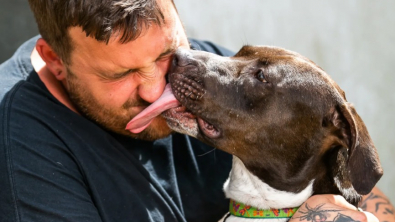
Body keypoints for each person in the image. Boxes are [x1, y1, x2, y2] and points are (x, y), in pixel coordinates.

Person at [0, 0, 393, 221]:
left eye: (166, 53)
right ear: (55, 60)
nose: (159, 87)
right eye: (123, 73)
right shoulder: (21, 146)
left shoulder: (213, 74)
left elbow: (362, 187)